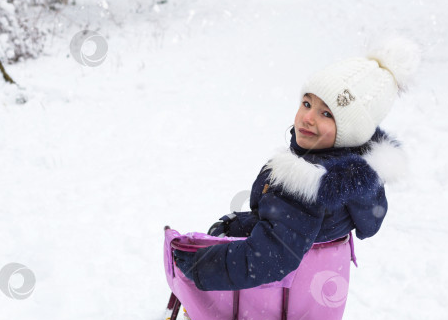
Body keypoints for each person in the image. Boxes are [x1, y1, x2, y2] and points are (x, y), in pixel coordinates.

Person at [172, 36, 420, 291]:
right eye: (306, 103)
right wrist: (237, 225)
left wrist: (201, 265)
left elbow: (268, 258)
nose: (307, 118)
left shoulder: (306, 184)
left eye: (326, 114)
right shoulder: (354, 176)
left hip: (277, 304)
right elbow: (294, 227)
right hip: (311, 295)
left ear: (352, 131)